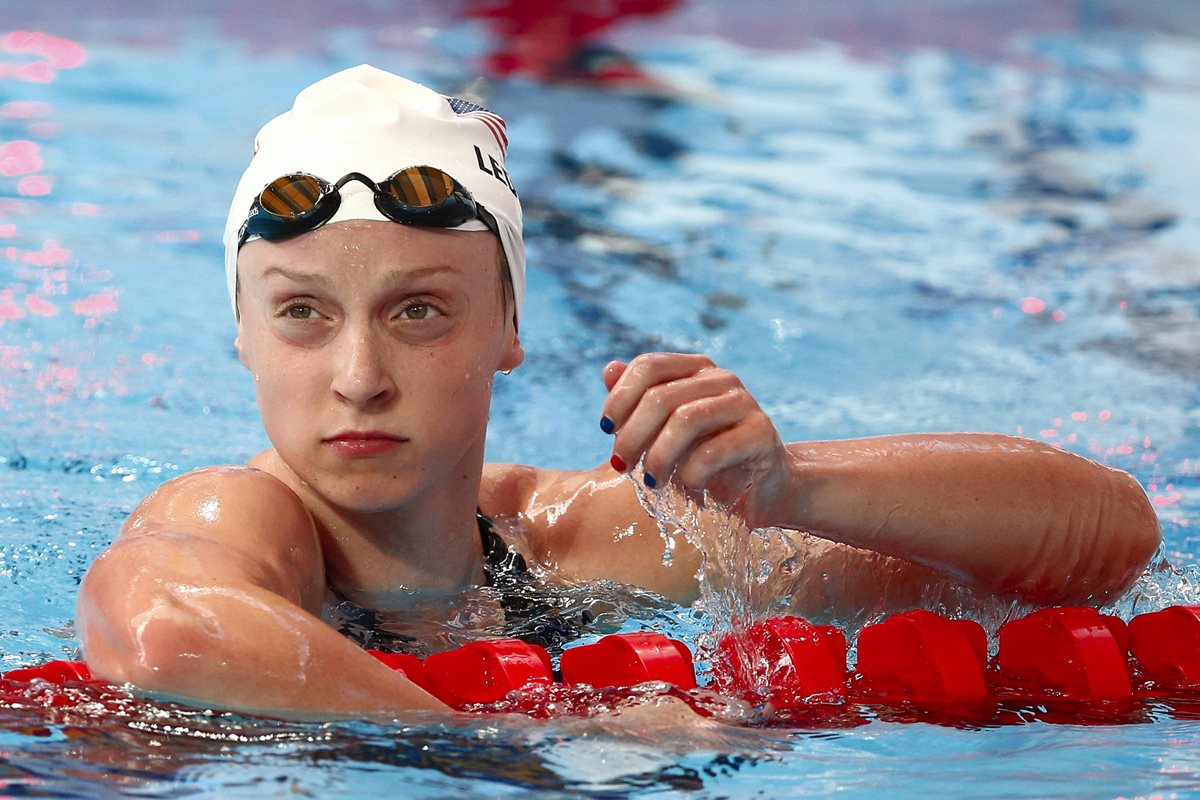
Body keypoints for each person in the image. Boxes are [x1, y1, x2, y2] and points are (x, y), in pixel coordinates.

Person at [75, 65, 1161, 717]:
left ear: (509, 329)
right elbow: (169, 630)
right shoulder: (238, 516)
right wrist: (512, 745)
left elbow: (1108, 539)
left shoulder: (571, 535)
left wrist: (790, 486)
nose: (359, 377)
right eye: (302, 314)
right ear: (243, 337)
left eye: (420, 311)